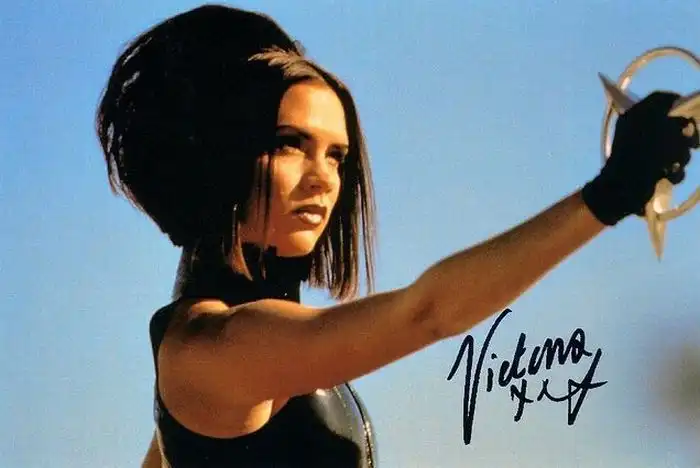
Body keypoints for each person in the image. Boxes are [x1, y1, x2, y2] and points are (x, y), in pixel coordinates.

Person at [96, 4, 697, 468]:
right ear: (220, 155)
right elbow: (427, 313)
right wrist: (608, 195)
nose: (323, 180)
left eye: (337, 156)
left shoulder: (205, 361)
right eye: (290, 144)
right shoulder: (215, 348)